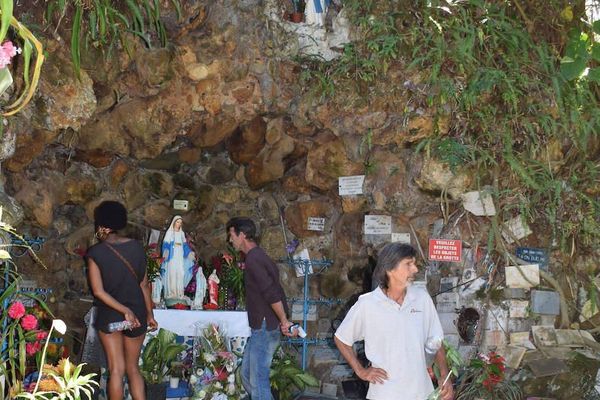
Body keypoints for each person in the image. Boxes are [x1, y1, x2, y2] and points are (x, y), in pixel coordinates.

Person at [334, 243, 453, 400]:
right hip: (384, 394)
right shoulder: (367, 304)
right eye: (408, 264)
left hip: (422, 393)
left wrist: (444, 375)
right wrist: (361, 371)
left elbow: (436, 341)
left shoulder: (422, 298)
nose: (415, 270)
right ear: (390, 269)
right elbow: (341, 339)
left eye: (414, 264)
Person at [86, 200, 158, 400]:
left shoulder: (95, 253)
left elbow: (98, 292)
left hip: (110, 315)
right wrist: (150, 314)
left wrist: (123, 310)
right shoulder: (136, 247)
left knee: (116, 370)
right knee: (133, 369)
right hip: (137, 314)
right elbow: (144, 285)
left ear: (101, 224)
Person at [226, 217, 295, 400]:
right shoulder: (257, 256)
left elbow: (271, 292)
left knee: (258, 382)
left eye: (231, 235)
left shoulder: (254, 259)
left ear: (242, 235)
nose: (230, 239)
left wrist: (284, 321)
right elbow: (275, 289)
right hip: (264, 327)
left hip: (265, 327)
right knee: (247, 375)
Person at [160, 216, 195, 302]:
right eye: (177, 222)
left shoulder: (182, 233)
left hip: (180, 255)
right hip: (172, 256)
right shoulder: (169, 233)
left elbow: (185, 246)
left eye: (180, 222)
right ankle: (171, 293)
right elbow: (165, 245)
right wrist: (166, 251)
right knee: (172, 272)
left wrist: (189, 253)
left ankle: (179, 293)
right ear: (174, 222)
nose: (178, 224)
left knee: (180, 273)